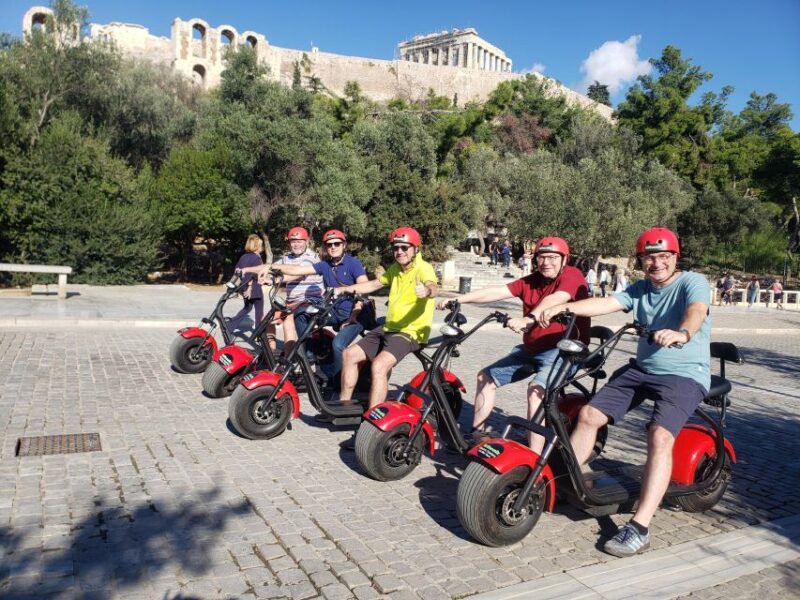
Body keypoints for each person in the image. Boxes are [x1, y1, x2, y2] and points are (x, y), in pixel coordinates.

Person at [540, 227, 711, 558]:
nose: (657, 263)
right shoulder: (641, 288)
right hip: (643, 370)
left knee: (660, 436)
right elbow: (607, 302)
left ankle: (640, 527)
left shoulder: (692, 282)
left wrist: (683, 333)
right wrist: (567, 309)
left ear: (676, 258)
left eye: (664, 256)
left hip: (685, 374)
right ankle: (566, 482)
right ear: (641, 261)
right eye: (650, 257)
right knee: (589, 414)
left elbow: (697, 310)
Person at [437, 236, 590, 452]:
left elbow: (558, 298)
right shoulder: (531, 280)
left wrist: (530, 318)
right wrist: (459, 300)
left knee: (536, 391)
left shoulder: (572, 275)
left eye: (553, 257)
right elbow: (497, 292)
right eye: (542, 257)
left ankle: (534, 459)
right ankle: (478, 434)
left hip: (563, 352)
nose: (546, 262)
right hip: (531, 349)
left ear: (564, 259)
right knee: (485, 377)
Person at [335, 227, 438, 448]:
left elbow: (433, 286)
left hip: (410, 331)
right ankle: (343, 410)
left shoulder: (423, 268)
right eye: (396, 248)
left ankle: (371, 428)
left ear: (415, 248)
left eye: (404, 247)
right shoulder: (395, 268)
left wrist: (427, 291)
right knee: (350, 354)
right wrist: (345, 290)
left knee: (379, 366)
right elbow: (374, 284)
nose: (399, 251)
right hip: (390, 327)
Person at [266, 229, 370, 383]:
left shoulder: (353, 263)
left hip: (355, 315)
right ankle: (309, 354)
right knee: (301, 313)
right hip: (334, 311)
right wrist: (270, 267)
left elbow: (365, 288)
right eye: (329, 244)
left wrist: (354, 315)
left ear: (344, 245)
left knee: (338, 344)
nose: (333, 247)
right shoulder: (325, 265)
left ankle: (336, 381)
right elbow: (297, 270)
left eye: (337, 243)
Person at [251, 227, 325, 355]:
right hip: (292, 302)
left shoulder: (311, 257)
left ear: (306, 241)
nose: (296, 244)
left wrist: (275, 280)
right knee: (267, 319)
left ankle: (288, 358)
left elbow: (296, 274)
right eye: (293, 241)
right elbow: (270, 268)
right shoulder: (287, 258)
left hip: (309, 301)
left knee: (288, 321)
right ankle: (271, 352)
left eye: (299, 241)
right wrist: (247, 271)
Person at [227, 234, 265, 334]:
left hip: (243, 287)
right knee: (259, 310)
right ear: (257, 246)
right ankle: (259, 332)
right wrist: (250, 287)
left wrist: (243, 287)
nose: (262, 247)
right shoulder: (257, 258)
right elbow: (254, 274)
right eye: (261, 245)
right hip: (254, 288)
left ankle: (230, 326)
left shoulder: (244, 257)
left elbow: (237, 271)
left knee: (247, 308)